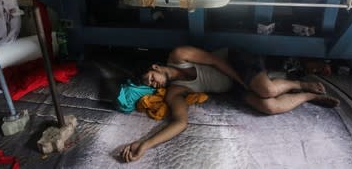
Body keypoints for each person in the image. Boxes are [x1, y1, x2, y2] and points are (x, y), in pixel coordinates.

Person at [120, 46, 340, 163]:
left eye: (149, 77)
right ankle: (310, 97)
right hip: (233, 87)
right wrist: (145, 145)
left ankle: (301, 83)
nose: (152, 82)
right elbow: (180, 122)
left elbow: (215, 61)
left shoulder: (179, 55)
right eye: (148, 84)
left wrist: (243, 81)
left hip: (234, 61)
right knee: (270, 107)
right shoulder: (175, 91)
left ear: (155, 67)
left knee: (267, 90)